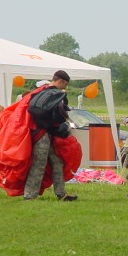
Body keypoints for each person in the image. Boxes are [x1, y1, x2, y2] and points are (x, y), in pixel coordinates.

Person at [24, 70, 77, 201]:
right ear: (61, 81)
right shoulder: (56, 95)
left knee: (57, 162)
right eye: (65, 84)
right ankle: (30, 195)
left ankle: (61, 194)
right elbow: (60, 115)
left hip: (43, 133)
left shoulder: (41, 92)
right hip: (42, 134)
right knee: (39, 164)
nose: (65, 88)